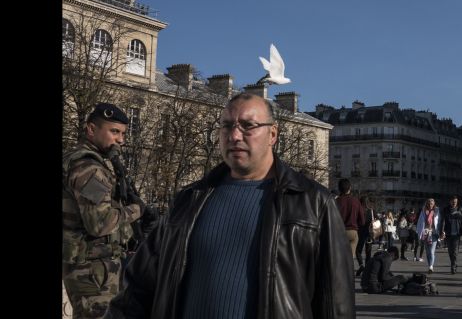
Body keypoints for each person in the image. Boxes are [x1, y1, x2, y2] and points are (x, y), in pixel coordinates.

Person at [106, 93, 354, 318]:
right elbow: (136, 290)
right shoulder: (189, 201)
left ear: (273, 135)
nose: (234, 135)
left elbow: (336, 302)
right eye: (227, 126)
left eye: (248, 126)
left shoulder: (313, 202)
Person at [63, 103, 144, 319]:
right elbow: (99, 223)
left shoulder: (92, 162)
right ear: (91, 129)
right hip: (91, 269)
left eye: (123, 133)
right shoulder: (88, 167)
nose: (120, 140)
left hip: (96, 267)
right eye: (114, 131)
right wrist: (136, 210)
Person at [336, 178, 365, 277]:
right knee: (350, 257)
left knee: (338, 256)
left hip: (339, 232)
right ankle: (348, 276)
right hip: (352, 231)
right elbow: (362, 220)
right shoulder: (355, 201)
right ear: (350, 188)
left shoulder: (336, 201)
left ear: (339, 189)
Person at [439, 195, 462, 274]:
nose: (454, 203)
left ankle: (453, 266)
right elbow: (443, 221)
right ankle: (454, 263)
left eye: (455, 201)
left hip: (457, 233)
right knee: (450, 251)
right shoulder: (446, 210)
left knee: (455, 251)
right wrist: (442, 231)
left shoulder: (460, 209)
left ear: (457, 202)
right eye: (453, 201)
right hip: (448, 233)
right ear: (450, 201)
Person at [416, 198, 441, 273]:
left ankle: (431, 266)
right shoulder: (424, 211)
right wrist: (419, 232)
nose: (430, 205)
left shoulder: (437, 211)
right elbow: (420, 222)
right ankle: (430, 265)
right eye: (429, 203)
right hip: (425, 232)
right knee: (427, 251)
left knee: (432, 251)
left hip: (434, 233)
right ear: (427, 204)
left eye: (432, 203)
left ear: (434, 204)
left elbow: (439, 221)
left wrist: (441, 231)